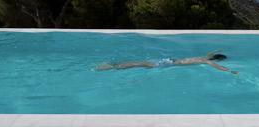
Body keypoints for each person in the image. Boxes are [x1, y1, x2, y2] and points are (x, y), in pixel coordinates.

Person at [96, 48, 238, 74]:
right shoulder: (206, 61)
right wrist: (229, 70)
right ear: (217, 60)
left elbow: (209, 53)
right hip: (170, 64)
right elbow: (216, 67)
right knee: (142, 64)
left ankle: (115, 65)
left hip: (171, 60)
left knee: (142, 62)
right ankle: (112, 67)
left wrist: (217, 50)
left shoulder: (205, 57)